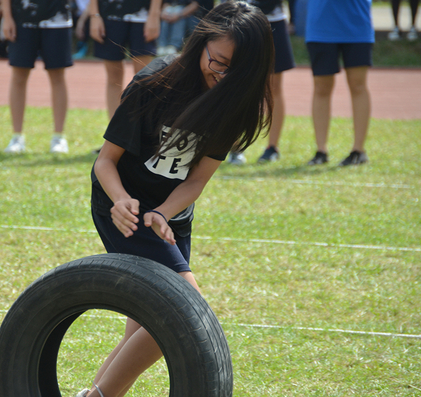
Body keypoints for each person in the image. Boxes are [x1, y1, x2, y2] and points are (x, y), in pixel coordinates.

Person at [79, 2, 274, 396]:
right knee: (179, 308)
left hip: (170, 217)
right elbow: (105, 162)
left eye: (235, 70)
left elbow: (196, 180)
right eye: (217, 61)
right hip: (123, 208)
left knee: (145, 323)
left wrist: (164, 214)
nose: (222, 74)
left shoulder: (236, 102)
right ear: (201, 44)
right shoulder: (154, 82)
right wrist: (121, 202)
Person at [305, 0, 374, 166]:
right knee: (321, 87)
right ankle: (321, 150)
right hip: (320, 26)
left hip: (357, 24)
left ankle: (358, 150)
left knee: (358, 85)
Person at [1, 0, 73, 153]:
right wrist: (7, 17)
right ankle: (17, 137)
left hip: (57, 19)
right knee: (19, 75)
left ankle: (59, 137)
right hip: (21, 18)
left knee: (57, 76)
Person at [228, 0, 295, 165]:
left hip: (272, 22)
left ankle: (272, 148)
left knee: (273, 88)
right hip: (238, 22)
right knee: (236, 86)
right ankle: (234, 146)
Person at [87, 0, 162, 120]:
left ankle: (144, 127)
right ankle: (114, 129)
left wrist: (154, 14)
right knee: (113, 76)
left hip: (142, 16)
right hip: (109, 14)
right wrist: (94, 15)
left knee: (144, 77)